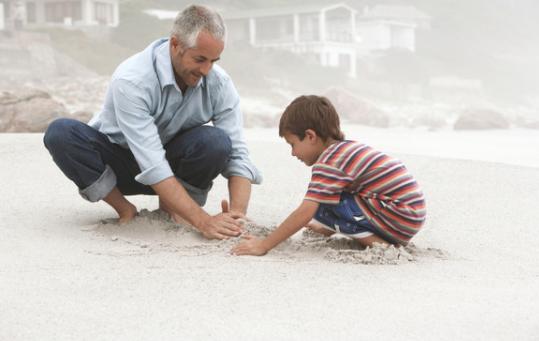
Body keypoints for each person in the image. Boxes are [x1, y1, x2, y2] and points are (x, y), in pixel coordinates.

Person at [43, 5, 261, 240]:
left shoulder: (219, 83)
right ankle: (125, 210)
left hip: (175, 168)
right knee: (60, 133)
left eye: (213, 61)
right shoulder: (133, 80)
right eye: (200, 59)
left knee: (216, 141)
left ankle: (172, 211)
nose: (207, 70)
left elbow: (238, 155)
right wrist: (204, 221)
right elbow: (152, 162)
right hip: (120, 166)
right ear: (175, 45)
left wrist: (238, 214)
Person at [232, 95, 426, 256]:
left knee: (319, 202)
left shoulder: (329, 162)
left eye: (292, 144)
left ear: (310, 136)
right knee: (325, 198)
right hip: (408, 216)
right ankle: (336, 227)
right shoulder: (344, 149)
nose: (292, 153)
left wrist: (264, 245)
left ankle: (378, 244)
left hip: (399, 214)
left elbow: (305, 210)